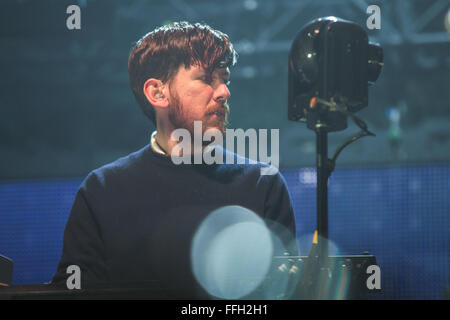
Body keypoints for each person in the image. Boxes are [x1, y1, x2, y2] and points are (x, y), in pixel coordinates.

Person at [52, 21, 297, 298]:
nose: (224, 92)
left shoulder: (263, 183)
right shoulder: (101, 190)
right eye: (206, 78)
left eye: (224, 79)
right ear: (157, 92)